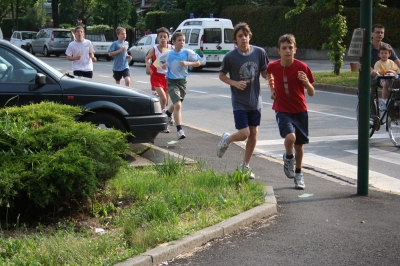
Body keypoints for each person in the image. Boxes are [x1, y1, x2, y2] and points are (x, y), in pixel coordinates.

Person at [216, 22, 268, 179]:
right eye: (240, 36)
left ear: (249, 36)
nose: (244, 38)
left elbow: (265, 72)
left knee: (254, 133)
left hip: (255, 101)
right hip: (239, 102)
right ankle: (227, 139)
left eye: (246, 35)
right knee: (244, 133)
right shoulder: (230, 57)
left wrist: (271, 78)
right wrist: (235, 83)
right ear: (235, 40)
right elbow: (222, 75)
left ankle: (245, 165)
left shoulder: (259, 52)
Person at [266, 34, 315, 190]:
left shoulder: (302, 67)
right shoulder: (273, 66)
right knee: (290, 136)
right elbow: (269, 76)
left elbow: (312, 92)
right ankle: (288, 158)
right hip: (282, 109)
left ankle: (299, 174)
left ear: (295, 50)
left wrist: (306, 82)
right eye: (284, 48)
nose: (288, 51)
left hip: (300, 110)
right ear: (279, 50)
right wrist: (272, 90)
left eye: (290, 48)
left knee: (299, 146)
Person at [159, 32, 201, 140]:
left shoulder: (187, 52)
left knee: (177, 102)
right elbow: (159, 62)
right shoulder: (168, 53)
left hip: (183, 82)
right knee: (178, 105)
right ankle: (179, 130)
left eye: (183, 40)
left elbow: (198, 62)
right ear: (173, 42)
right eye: (179, 40)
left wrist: (188, 63)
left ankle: (168, 113)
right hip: (172, 82)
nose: (182, 42)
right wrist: (163, 65)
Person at [145, 27, 174, 133]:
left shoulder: (170, 48)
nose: (162, 39)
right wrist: (148, 66)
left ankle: (161, 116)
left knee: (165, 102)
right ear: (157, 38)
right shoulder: (155, 49)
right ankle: (162, 123)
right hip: (156, 75)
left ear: (168, 38)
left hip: (168, 76)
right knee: (163, 98)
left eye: (164, 37)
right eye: (160, 37)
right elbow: (147, 58)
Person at [373, 44, 399, 111]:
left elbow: (396, 71)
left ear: (389, 55)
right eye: (382, 53)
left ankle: (397, 100)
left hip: (391, 79)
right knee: (385, 84)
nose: (384, 55)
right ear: (379, 55)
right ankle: (383, 102)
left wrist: (391, 71)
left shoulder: (391, 62)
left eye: (385, 53)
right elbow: (377, 71)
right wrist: (383, 72)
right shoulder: (378, 63)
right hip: (382, 79)